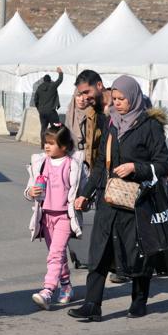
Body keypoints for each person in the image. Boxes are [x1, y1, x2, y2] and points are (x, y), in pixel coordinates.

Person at [69, 75, 168, 321]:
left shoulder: (150, 126)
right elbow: (99, 168)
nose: (117, 103)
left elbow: (163, 164)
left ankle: (139, 301)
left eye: (121, 98)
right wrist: (85, 193)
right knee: (99, 252)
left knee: (136, 252)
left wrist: (136, 167)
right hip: (108, 199)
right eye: (114, 99)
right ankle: (92, 305)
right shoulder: (111, 123)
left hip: (136, 202)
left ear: (133, 97)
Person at [24, 124, 87, 310]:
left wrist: (83, 201)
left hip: (65, 217)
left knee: (55, 254)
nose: (47, 146)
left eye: (52, 143)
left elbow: (84, 192)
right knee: (57, 256)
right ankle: (66, 286)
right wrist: (31, 192)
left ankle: (47, 291)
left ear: (64, 146)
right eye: (46, 142)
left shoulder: (74, 165)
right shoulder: (40, 163)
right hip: (45, 216)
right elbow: (28, 191)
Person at [73, 70, 127, 283]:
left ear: (100, 85)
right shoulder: (92, 111)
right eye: (80, 93)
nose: (83, 97)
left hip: (124, 174)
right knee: (104, 226)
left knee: (122, 225)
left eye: (86, 91)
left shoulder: (121, 105)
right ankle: (106, 271)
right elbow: (93, 147)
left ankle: (126, 267)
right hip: (101, 173)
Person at [65, 88, 108, 170]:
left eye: (85, 96)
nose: (81, 99)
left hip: (91, 157)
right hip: (72, 155)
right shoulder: (70, 113)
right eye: (78, 95)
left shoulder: (96, 115)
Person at [34, 67, 64, 148]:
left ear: (44, 80)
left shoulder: (39, 88)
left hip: (42, 112)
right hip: (51, 111)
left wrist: (39, 109)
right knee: (56, 127)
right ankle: (56, 144)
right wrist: (60, 73)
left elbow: (35, 100)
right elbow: (60, 80)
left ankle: (43, 144)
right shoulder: (52, 86)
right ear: (50, 80)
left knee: (43, 128)